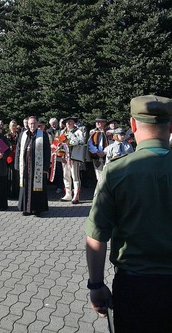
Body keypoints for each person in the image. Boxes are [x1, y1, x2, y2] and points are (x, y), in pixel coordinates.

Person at [85, 94, 172, 332]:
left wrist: (96, 284)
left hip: (134, 285)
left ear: (132, 126)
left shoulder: (117, 171)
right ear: (170, 126)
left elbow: (96, 235)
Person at [15, 115, 50, 216]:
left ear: (37, 123)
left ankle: (37, 209)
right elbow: (18, 150)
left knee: (37, 189)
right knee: (25, 187)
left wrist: (45, 167)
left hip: (37, 167)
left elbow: (47, 151)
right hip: (25, 166)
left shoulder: (43, 134)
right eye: (30, 123)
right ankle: (26, 208)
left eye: (34, 123)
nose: (32, 125)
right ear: (27, 124)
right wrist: (17, 164)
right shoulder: (23, 134)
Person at [60, 116, 87, 204]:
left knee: (75, 176)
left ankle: (76, 195)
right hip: (65, 158)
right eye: (67, 122)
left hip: (74, 158)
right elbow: (58, 144)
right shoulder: (62, 132)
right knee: (66, 176)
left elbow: (82, 141)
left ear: (74, 123)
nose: (69, 123)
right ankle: (68, 194)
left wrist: (73, 141)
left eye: (71, 122)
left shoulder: (78, 131)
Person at [87, 115, 109, 187]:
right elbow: (89, 143)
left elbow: (111, 144)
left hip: (107, 156)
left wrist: (104, 152)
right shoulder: (93, 132)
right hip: (96, 156)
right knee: (98, 174)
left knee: (107, 173)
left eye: (100, 122)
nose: (98, 123)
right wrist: (97, 152)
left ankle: (107, 190)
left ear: (105, 123)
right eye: (97, 122)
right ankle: (101, 189)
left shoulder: (109, 132)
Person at [5, 119, 20, 199]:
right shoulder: (7, 135)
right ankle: (9, 193)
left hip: (17, 156)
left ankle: (16, 193)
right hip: (10, 157)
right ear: (9, 127)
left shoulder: (19, 135)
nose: (13, 127)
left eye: (14, 126)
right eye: (12, 126)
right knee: (9, 175)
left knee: (16, 176)